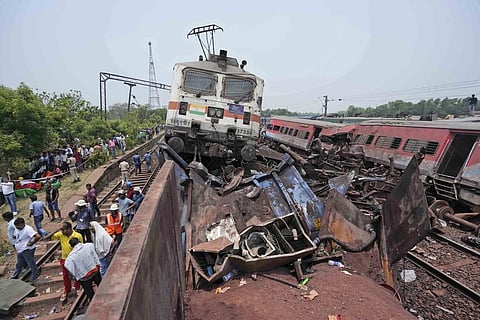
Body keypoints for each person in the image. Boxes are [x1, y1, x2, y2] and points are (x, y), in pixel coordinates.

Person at [51, 221, 83, 303]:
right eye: (61, 230)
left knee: (77, 273)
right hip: (65, 259)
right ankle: (67, 289)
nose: (62, 231)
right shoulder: (61, 235)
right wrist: (57, 229)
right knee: (65, 276)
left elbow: (81, 247)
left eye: (64, 229)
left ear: (69, 229)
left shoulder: (77, 236)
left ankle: (77, 287)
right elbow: (48, 237)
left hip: (75, 258)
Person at [64, 238, 102, 302]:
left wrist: (75, 277)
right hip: (94, 270)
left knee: (89, 291)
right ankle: (103, 293)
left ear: (71, 246)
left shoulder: (70, 257)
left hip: (84, 277)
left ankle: (93, 301)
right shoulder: (89, 245)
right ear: (79, 241)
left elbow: (69, 268)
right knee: (100, 283)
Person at [11, 218, 42, 282]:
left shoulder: (28, 229)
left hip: (27, 249)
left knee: (31, 263)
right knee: (19, 263)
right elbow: (15, 236)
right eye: (16, 226)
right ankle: (15, 276)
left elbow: (38, 236)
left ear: (22, 224)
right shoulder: (17, 229)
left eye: (18, 226)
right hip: (20, 250)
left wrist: (31, 243)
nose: (17, 228)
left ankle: (35, 275)